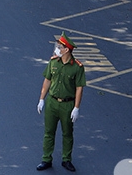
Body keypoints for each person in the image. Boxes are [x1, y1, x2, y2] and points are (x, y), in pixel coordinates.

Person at [37, 33, 85, 172]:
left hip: (67, 104)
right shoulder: (53, 62)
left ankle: (66, 159)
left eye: (60, 47)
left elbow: (79, 88)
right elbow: (47, 80)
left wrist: (76, 107)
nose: (57, 49)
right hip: (52, 102)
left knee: (67, 133)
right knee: (49, 132)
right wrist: (41, 99)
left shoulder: (77, 67)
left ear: (67, 50)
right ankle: (46, 159)